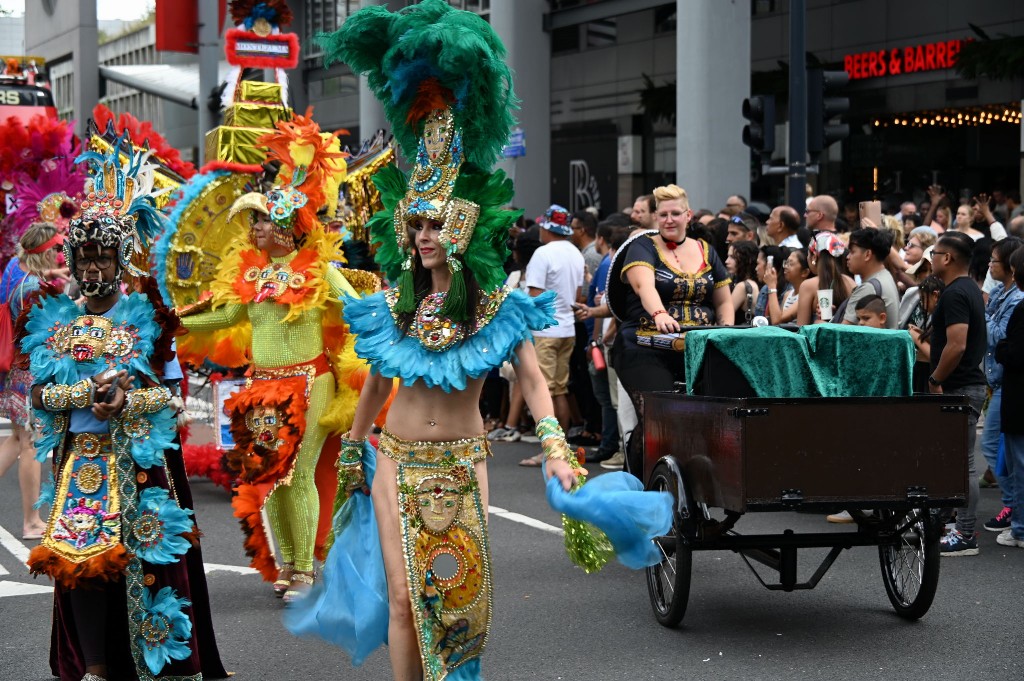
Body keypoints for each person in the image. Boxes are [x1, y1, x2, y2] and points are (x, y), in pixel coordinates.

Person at [285, 6, 672, 678]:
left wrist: (554, 447)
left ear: (460, 229)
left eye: (438, 224)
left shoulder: (494, 307)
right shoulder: (392, 308)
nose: (426, 235)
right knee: (404, 599)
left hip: (462, 462)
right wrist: (353, 449)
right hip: (395, 460)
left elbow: (529, 378)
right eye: (419, 225)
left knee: (458, 599)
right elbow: (377, 382)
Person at [22, 134, 226, 681]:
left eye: (102, 255)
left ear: (119, 258)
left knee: (148, 571)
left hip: (139, 465)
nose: (91, 267)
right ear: (72, 258)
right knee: (82, 566)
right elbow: (38, 395)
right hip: (81, 462)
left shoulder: (151, 318)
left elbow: (173, 397)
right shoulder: (53, 319)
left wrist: (128, 399)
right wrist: (84, 397)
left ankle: (152, 666)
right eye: (84, 256)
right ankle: (94, 667)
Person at [174, 115, 361, 601]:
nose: (253, 228)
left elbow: (360, 311)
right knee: (268, 476)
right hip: (262, 387)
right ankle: (289, 563)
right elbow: (221, 317)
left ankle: (305, 569)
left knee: (298, 472)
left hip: (311, 383)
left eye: (260, 219)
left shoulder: (319, 271)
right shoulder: (250, 276)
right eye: (253, 220)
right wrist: (168, 320)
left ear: (284, 226)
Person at [607, 183, 734, 474]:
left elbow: (724, 300)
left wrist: (725, 329)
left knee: (705, 417)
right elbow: (644, 286)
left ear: (688, 216)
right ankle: (636, 483)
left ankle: (691, 483)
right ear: (655, 217)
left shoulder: (706, 250)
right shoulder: (643, 246)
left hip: (696, 347)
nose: (669, 219)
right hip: (643, 346)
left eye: (676, 213)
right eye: (663, 214)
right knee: (657, 418)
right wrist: (660, 313)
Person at [0, 224, 63, 540]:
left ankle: (32, 519)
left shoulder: (16, 271)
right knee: (32, 446)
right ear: (46, 252)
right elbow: (48, 336)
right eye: (55, 250)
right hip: (29, 377)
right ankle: (31, 521)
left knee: (15, 441)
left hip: (13, 375)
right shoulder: (35, 290)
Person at [929, 231, 988, 556]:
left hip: (960, 387)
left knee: (963, 463)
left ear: (948, 258)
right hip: (965, 385)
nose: (932, 258)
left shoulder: (955, 294)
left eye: (935, 253)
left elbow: (957, 344)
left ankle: (965, 534)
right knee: (955, 460)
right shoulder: (969, 290)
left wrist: (937, 378)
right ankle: (958, 525)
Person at [519, 204, 585, 465]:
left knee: (545, 391)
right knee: (559, 389)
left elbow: (534, 296)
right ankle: (561, 449)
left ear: (547, 228)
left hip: (546, 331)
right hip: (567, 329)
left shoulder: (542, 253)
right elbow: (578, 295)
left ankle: (552, 453)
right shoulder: (576, 253)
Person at [979, 237, 1024, 532]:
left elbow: (999, 337)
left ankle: (1013, 508)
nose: (989, 266)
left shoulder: (1017, 300)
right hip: (996, 379)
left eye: (994, 261)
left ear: (1011, 267)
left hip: (1009, 382)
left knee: (996, 445)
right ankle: (1013, 506)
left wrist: (979, 313)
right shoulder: (999, 292)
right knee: (1002, 448)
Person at [994, 247, 1024, 549]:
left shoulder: (1020, 309)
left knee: (1020, 465)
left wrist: (1002, 348)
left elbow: (1012, 353)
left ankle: (1021, 528)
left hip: (1018, 399)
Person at [843, 228, 900, 328]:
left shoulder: (868, 288)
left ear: (867, 255)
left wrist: (820, 323)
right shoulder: (885, 275)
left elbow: (842, 333)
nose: (848, 257)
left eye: (852, 252)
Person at [796, 232, 854, 325]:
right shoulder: (850, 282)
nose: (807, 258)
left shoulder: (808, 286)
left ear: (814, 257)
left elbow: (801, 329)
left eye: (808, 254)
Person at [906, 275, 945, 393]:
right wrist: (923, 334)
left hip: (931, 375)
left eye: (923, 299)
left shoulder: (943, 318)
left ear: (935, 295)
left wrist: (916, 337)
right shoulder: (937, 317)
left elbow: (935, 355)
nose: (922, 304)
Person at [765, 248, 809, 325]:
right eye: (786, 263)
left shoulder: (806, 295)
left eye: (790, 264)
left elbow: (776, 320)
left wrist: (772, 286)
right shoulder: (787, 294)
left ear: (805, 272)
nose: (785, 266)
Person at [726, 240, 760, 324]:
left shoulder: (743, 286)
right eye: (728, 256)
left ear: (747, 260)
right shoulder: (755, 282)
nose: (726, 261)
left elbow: (725, 316)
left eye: (732, 257)